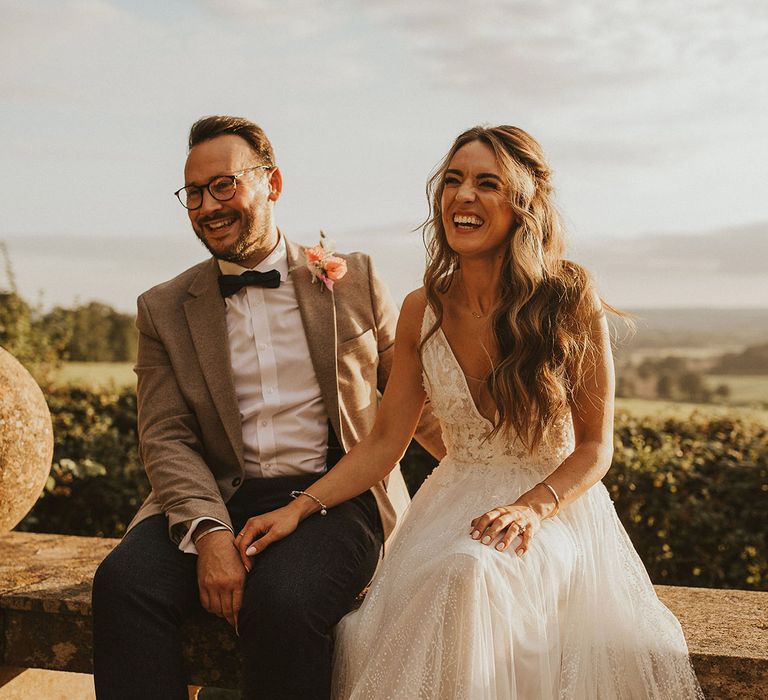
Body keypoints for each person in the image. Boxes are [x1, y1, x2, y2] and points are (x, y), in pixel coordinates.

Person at [234, 125, 705, 699]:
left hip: (551, 516)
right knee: (438, 585)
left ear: (522, 203)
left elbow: (594, 448)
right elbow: (384, 443)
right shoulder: (421, 309)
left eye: (487, 183)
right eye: (453, 180)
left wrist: (532, 510)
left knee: (473, 574)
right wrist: (299, 509)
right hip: (448, 509)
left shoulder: (568, 297)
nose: (463, 196)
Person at [91, 115, 444, 700]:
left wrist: (490, 473)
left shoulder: (355, 279)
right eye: (194, 194)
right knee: (123, 584)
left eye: (224, 185)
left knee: (283, 601)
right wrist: (208, 534)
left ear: (272, 183)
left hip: (334, 497)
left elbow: (415, 398)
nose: (208, 206)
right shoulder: (163, 308)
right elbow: (166, 437)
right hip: (215, 496)